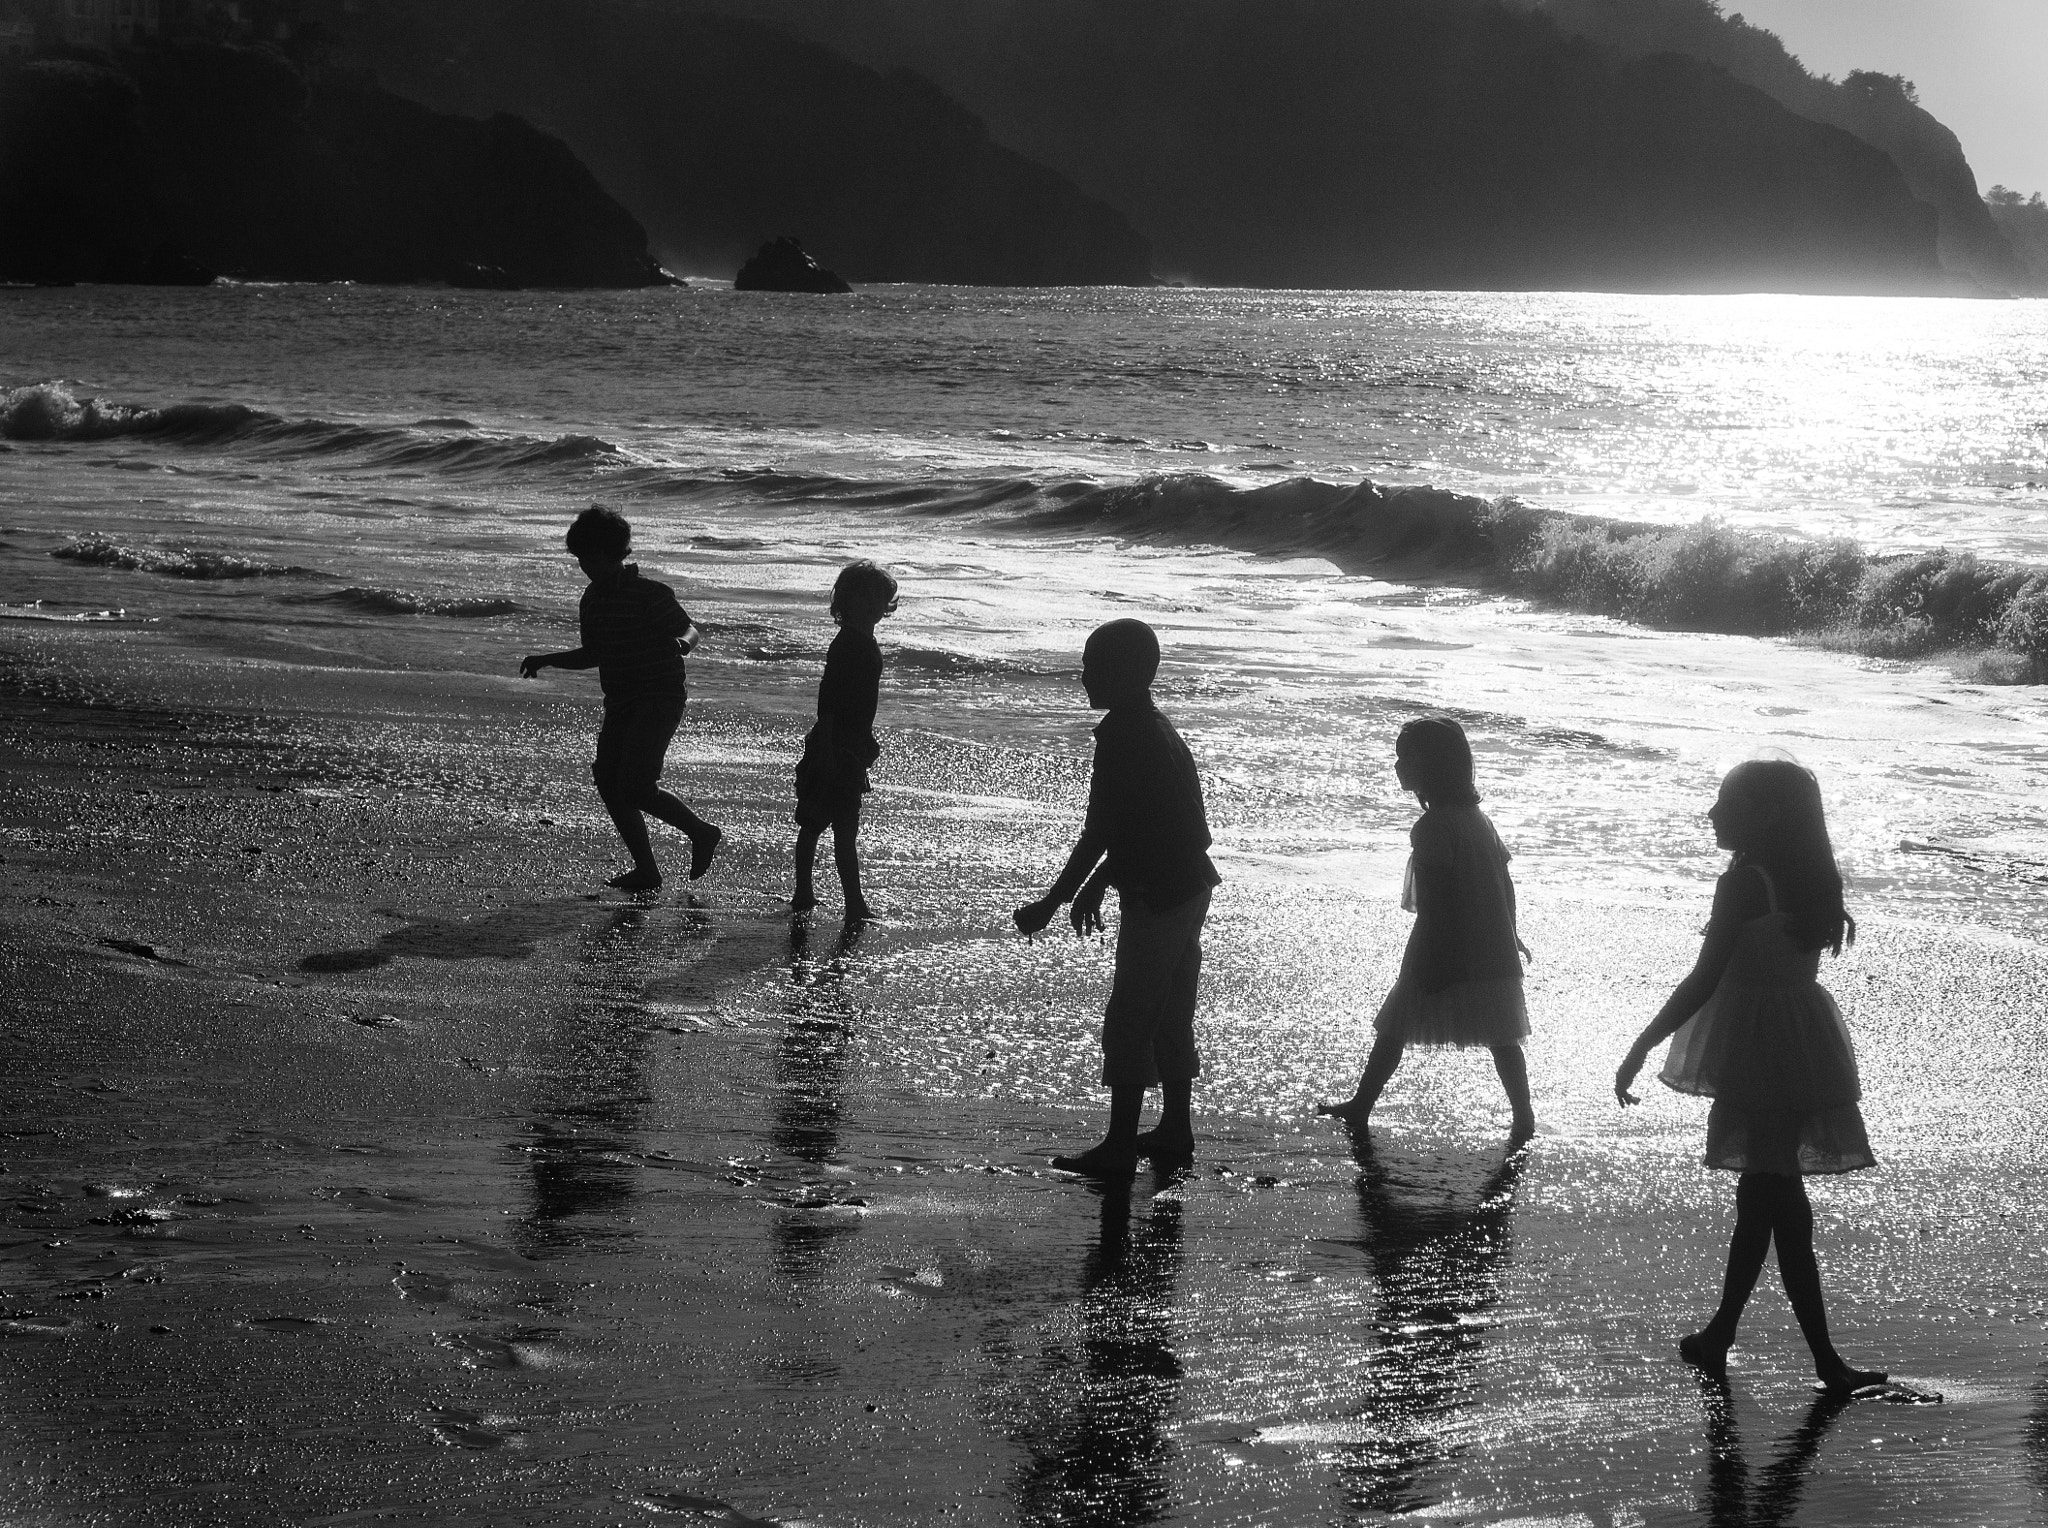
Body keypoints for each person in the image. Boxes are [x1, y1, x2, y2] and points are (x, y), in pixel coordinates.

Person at [1615, 758, 1884, 1394]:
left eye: (1725, 804)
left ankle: (1816, 1359)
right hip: (1802, 1039)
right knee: (1769, 1197)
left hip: (1758, 1049)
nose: (1712, 815)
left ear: (1764, 817)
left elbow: (1705, 978)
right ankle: (1729, 1335)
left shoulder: (1743, 883)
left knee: (1772, 1199)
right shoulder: (1807, 877)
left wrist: (1642, 1043)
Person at [1014, 618, 1220, 1177]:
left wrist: (1054, 901)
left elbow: (1101, 830)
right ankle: (1175, 1126)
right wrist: (1102, 882)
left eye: (1094, 667)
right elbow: (1148, 825)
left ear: (1130, 673)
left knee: (1132, 1011)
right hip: (1190, 881)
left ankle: (1120, 1145)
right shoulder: (1155, 727)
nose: (1084, 677)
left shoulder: (1125, 736)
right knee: (1171, 1010)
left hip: (1160, 891)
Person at [1318, 717, 1535, 1137]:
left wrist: (1432, 956)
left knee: (1396, 1025)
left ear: (1431, 767)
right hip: (1489, 942)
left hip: (1445, 941)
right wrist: (1511, 932)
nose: (1398, 765)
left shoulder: (1433, 827)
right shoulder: (1478, 819)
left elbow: (1435, 905)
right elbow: (1504, 884)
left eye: (1405, 758)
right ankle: (1523, 1114)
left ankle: (1362, 1105)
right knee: (1503, 1035)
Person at [518, 504, 721, 892]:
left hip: (659, 697)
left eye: (592, 559)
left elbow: (691, 630)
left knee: (636, 784)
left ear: (615, 554)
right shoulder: (591, 600)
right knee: (609, 780)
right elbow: (593, 654)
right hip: (621, 700)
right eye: (580, 560)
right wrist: (547, 660)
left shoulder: (651, 593)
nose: (586, 568)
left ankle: (701, 832)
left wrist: (682, 644)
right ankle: (647, 868)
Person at [792, 560, 898, 920]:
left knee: (834, 823)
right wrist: (827, 746)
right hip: (837, 745)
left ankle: (823, 895)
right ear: (845, 603)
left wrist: (864, 738)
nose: (872, 605)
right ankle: (830, 898)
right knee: (822, 822)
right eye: (863, 598)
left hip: (851, 743)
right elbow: (829, 699)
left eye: (878, 599)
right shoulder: (848, 645)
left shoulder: (863, 642)